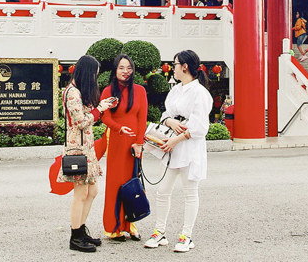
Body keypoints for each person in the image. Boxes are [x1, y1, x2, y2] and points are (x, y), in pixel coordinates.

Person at [144, 50, 212, 253]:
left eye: (174, 64)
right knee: (163, 191)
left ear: (185, 67)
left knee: (190, 192)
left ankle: (186, 235)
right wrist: (170, 121)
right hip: (172, 147)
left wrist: (177, 139)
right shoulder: (175, 90)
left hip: (188, 147)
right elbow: (166, 113)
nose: (172, 68)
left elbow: (200, 127)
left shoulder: (200, 93)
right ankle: (160, 231)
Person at [60, 55, 117, 252]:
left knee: (92, 191)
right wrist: (99, 109)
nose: (95, 79)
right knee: (81, 192)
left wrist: (103, 106)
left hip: (87, 148)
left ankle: (81, 230)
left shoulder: (78, 92)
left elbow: (87, 116)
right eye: (94, 75)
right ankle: (75, 236)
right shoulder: (72, 93)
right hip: (78, 149)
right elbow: (81, 122)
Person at [99, 54, 148, 241]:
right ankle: (113, 228)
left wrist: (139, 143)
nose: (125, 71)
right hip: (117, 142)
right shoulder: (108, 91)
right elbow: (105, 117)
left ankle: (131, 225)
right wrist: (119, 128)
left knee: (132, 185)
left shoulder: (140, 91)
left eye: (128, 68)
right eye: (121, 67)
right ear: (115, 70)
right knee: (115, 185)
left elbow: (141, 119)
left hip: (134, 144)